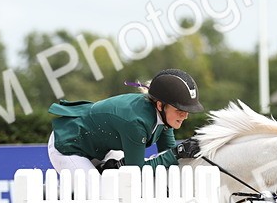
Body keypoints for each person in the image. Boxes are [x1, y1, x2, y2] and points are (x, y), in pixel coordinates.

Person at [46, 68, 205, 172]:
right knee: (102, 193)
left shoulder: (163, 117)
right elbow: (136, 171)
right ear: (160, 105)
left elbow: (168, 156)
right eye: (180, 110)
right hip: (69, 145)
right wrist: (177, 152)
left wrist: (183, 154)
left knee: (120, 186)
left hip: (99, 149)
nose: (185, 116)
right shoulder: (136, 122)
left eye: (187, 111)